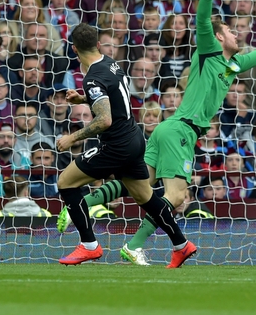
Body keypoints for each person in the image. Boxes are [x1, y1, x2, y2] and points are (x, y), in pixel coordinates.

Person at [59, 0, 256, 265]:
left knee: (139, 186)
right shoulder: (207, 52)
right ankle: (136, 245)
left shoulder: (234, 64)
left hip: (171, 129)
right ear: (218, 37)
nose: (235, 32)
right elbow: (203, 18)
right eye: (229, 29)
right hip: (180, 131)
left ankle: (82, 203)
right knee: (175, 196)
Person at [54, 23, 197, 267]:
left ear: (74, 48)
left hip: (116, 146)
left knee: (65, 183)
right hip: (135, 139)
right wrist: (83, 98)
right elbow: (113, 96)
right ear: (98, 45)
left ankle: (89, 246)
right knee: (148, 198)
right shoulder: (110, 62)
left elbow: (105, 119)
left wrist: (72, 138)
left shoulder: (92, 78)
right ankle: (181, 245)